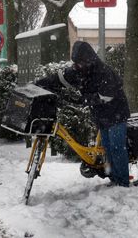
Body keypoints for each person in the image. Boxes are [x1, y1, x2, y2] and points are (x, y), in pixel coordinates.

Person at [36, 41, 131, 187]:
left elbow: (106, 96)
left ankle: (123, 182)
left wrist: (82, 99)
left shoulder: (103, 72)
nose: (77, 66)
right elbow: (60, 78)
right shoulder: (78, 71)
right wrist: (39, 84)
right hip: (102, 115)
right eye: (76, 62)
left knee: (116, 147)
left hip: (116, 112)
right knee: (107, 146)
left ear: (89, 60)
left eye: (80, 62)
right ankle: (114, 178)